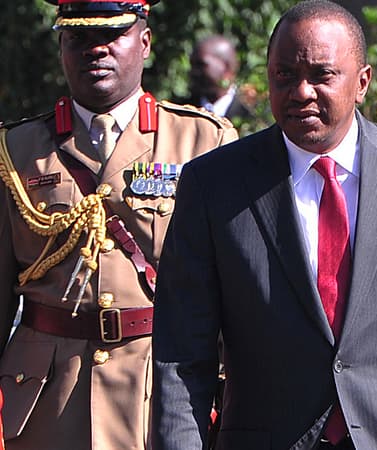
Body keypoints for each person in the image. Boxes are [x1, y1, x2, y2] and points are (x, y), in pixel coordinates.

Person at [151, 1, 377, 449]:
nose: (301, 92)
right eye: (284, 75)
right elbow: (182, 356)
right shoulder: (214, 185)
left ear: (362, 82)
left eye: (322, 76)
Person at [0, 1, 238, 449]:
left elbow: (234, 289)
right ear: (61, 48)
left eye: (112, 36)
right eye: (80, 39)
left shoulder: (204, 141)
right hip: (44, 401)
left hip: (157, 390)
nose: (96, 50)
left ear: (144, 42)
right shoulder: (16, 150)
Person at [186, 34, 255, 122]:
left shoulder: (251, 114)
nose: (194, 72)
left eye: (201, 65)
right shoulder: (181, 112)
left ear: (226, 67)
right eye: (192, 65)